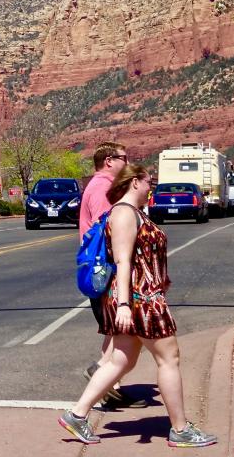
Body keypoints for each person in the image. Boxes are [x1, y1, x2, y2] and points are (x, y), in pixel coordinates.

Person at [59, 164, 217, 448]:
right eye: (148, 182)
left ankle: (77, 414)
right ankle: (180, 430)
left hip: (139, 296)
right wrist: (122, 304)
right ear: (134, 182)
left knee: (122, 360)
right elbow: (122, 260)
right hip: (140, 300)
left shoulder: (131, 212)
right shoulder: (123, 213)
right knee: (169, 359)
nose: (151, 187)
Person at [78, 142, 144, 409]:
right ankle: (102, 374)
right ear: (108, 161)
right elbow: (108, 226)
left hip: (105, 269)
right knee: (121, 325)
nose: (126, 163)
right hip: (106, 269)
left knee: (116, 329)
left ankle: (109, 383)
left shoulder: (101, 186)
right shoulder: (103, 189)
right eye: (123, 158)